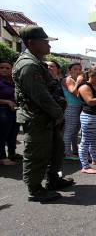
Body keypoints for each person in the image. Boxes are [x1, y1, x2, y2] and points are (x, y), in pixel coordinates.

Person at [12, 25, 74, 202]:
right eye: (44, 42)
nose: (49, 46)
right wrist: (58, 114)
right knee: (37, 154)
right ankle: (35, 190)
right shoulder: (28, 65)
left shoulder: (36, 62)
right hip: (37, 117)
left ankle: (53, 179)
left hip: (47, 117)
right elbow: (41, 96)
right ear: (31, 43)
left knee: (56, 149)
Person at [62, 63, 84, 160]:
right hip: (71, 107)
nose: (78, 71)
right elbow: (74, 92)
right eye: (75, 69)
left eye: (80, 69)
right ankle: (67, 153)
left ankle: (75, 150)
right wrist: (79, 82)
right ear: (69, 70)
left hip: (79, 107)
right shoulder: (68, 79)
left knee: (75, 131)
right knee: (69, 131)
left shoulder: (76, 80)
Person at [0, 60, 19, 165]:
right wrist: (7, 102)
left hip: (14, 111)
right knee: (2, 135)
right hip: (2, 111)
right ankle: (2, 158)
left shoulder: (14, 80)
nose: (4, 70)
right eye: (2, 67)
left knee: (13, 134)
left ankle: (12, 153)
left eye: (7, 68)